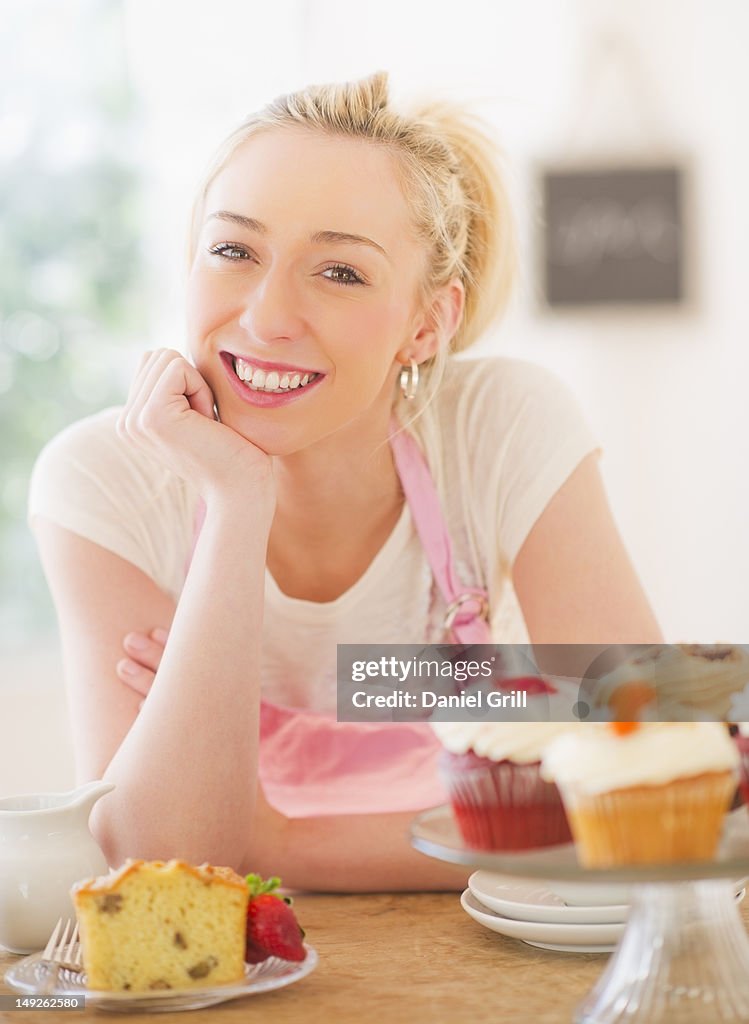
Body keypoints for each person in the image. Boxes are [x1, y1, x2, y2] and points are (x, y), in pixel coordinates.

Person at [28, 71, 661, 891]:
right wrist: (236, 502)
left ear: (426, 324)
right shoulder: (105, 482)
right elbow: (159, 861)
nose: (266, 316)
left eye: (340, 273)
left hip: (477, 959)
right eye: (233, 251)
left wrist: (279, 845)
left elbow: (647, 775)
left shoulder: (500, 425)